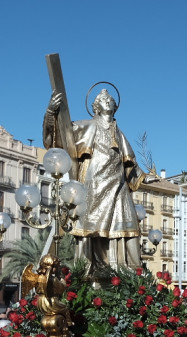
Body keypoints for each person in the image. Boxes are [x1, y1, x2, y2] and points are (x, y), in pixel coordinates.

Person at [43, 88, 143, 276]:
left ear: (116, 106)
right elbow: (59, 137)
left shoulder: (119, 134)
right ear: (95, 107)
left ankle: (129, 272)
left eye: (110, 99)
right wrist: (50, 113)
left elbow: (130, 162)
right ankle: (89, 272)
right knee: (89, 228)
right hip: (94, 185)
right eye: (103, 99)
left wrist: (145, 177)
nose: (108, 100)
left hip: (118, 187)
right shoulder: (85, 126)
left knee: (128, 228)